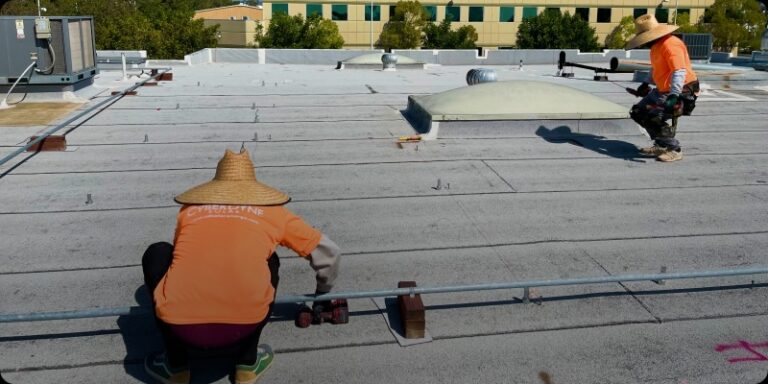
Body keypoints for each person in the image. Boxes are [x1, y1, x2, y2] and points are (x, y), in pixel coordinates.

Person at [141, 148, 341, 384]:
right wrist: (322, 294)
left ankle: (176, 368)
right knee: (270, 260)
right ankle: (247, 364)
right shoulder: (273, 212)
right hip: (243, 325)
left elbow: (185, 261)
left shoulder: (189, 210)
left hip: (180, 326)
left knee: (158, 253)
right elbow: (330, 253)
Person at [626, 14, 700, 162]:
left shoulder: (671, 44)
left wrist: (674, 95)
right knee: (638, 112)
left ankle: (674, 149)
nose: (644, 43)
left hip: (683, 90)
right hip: (662, 90)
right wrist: (646, 83)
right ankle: (661, 145)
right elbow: (656, 68)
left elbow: (679, 70)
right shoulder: (656, 47)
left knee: (653, 117)